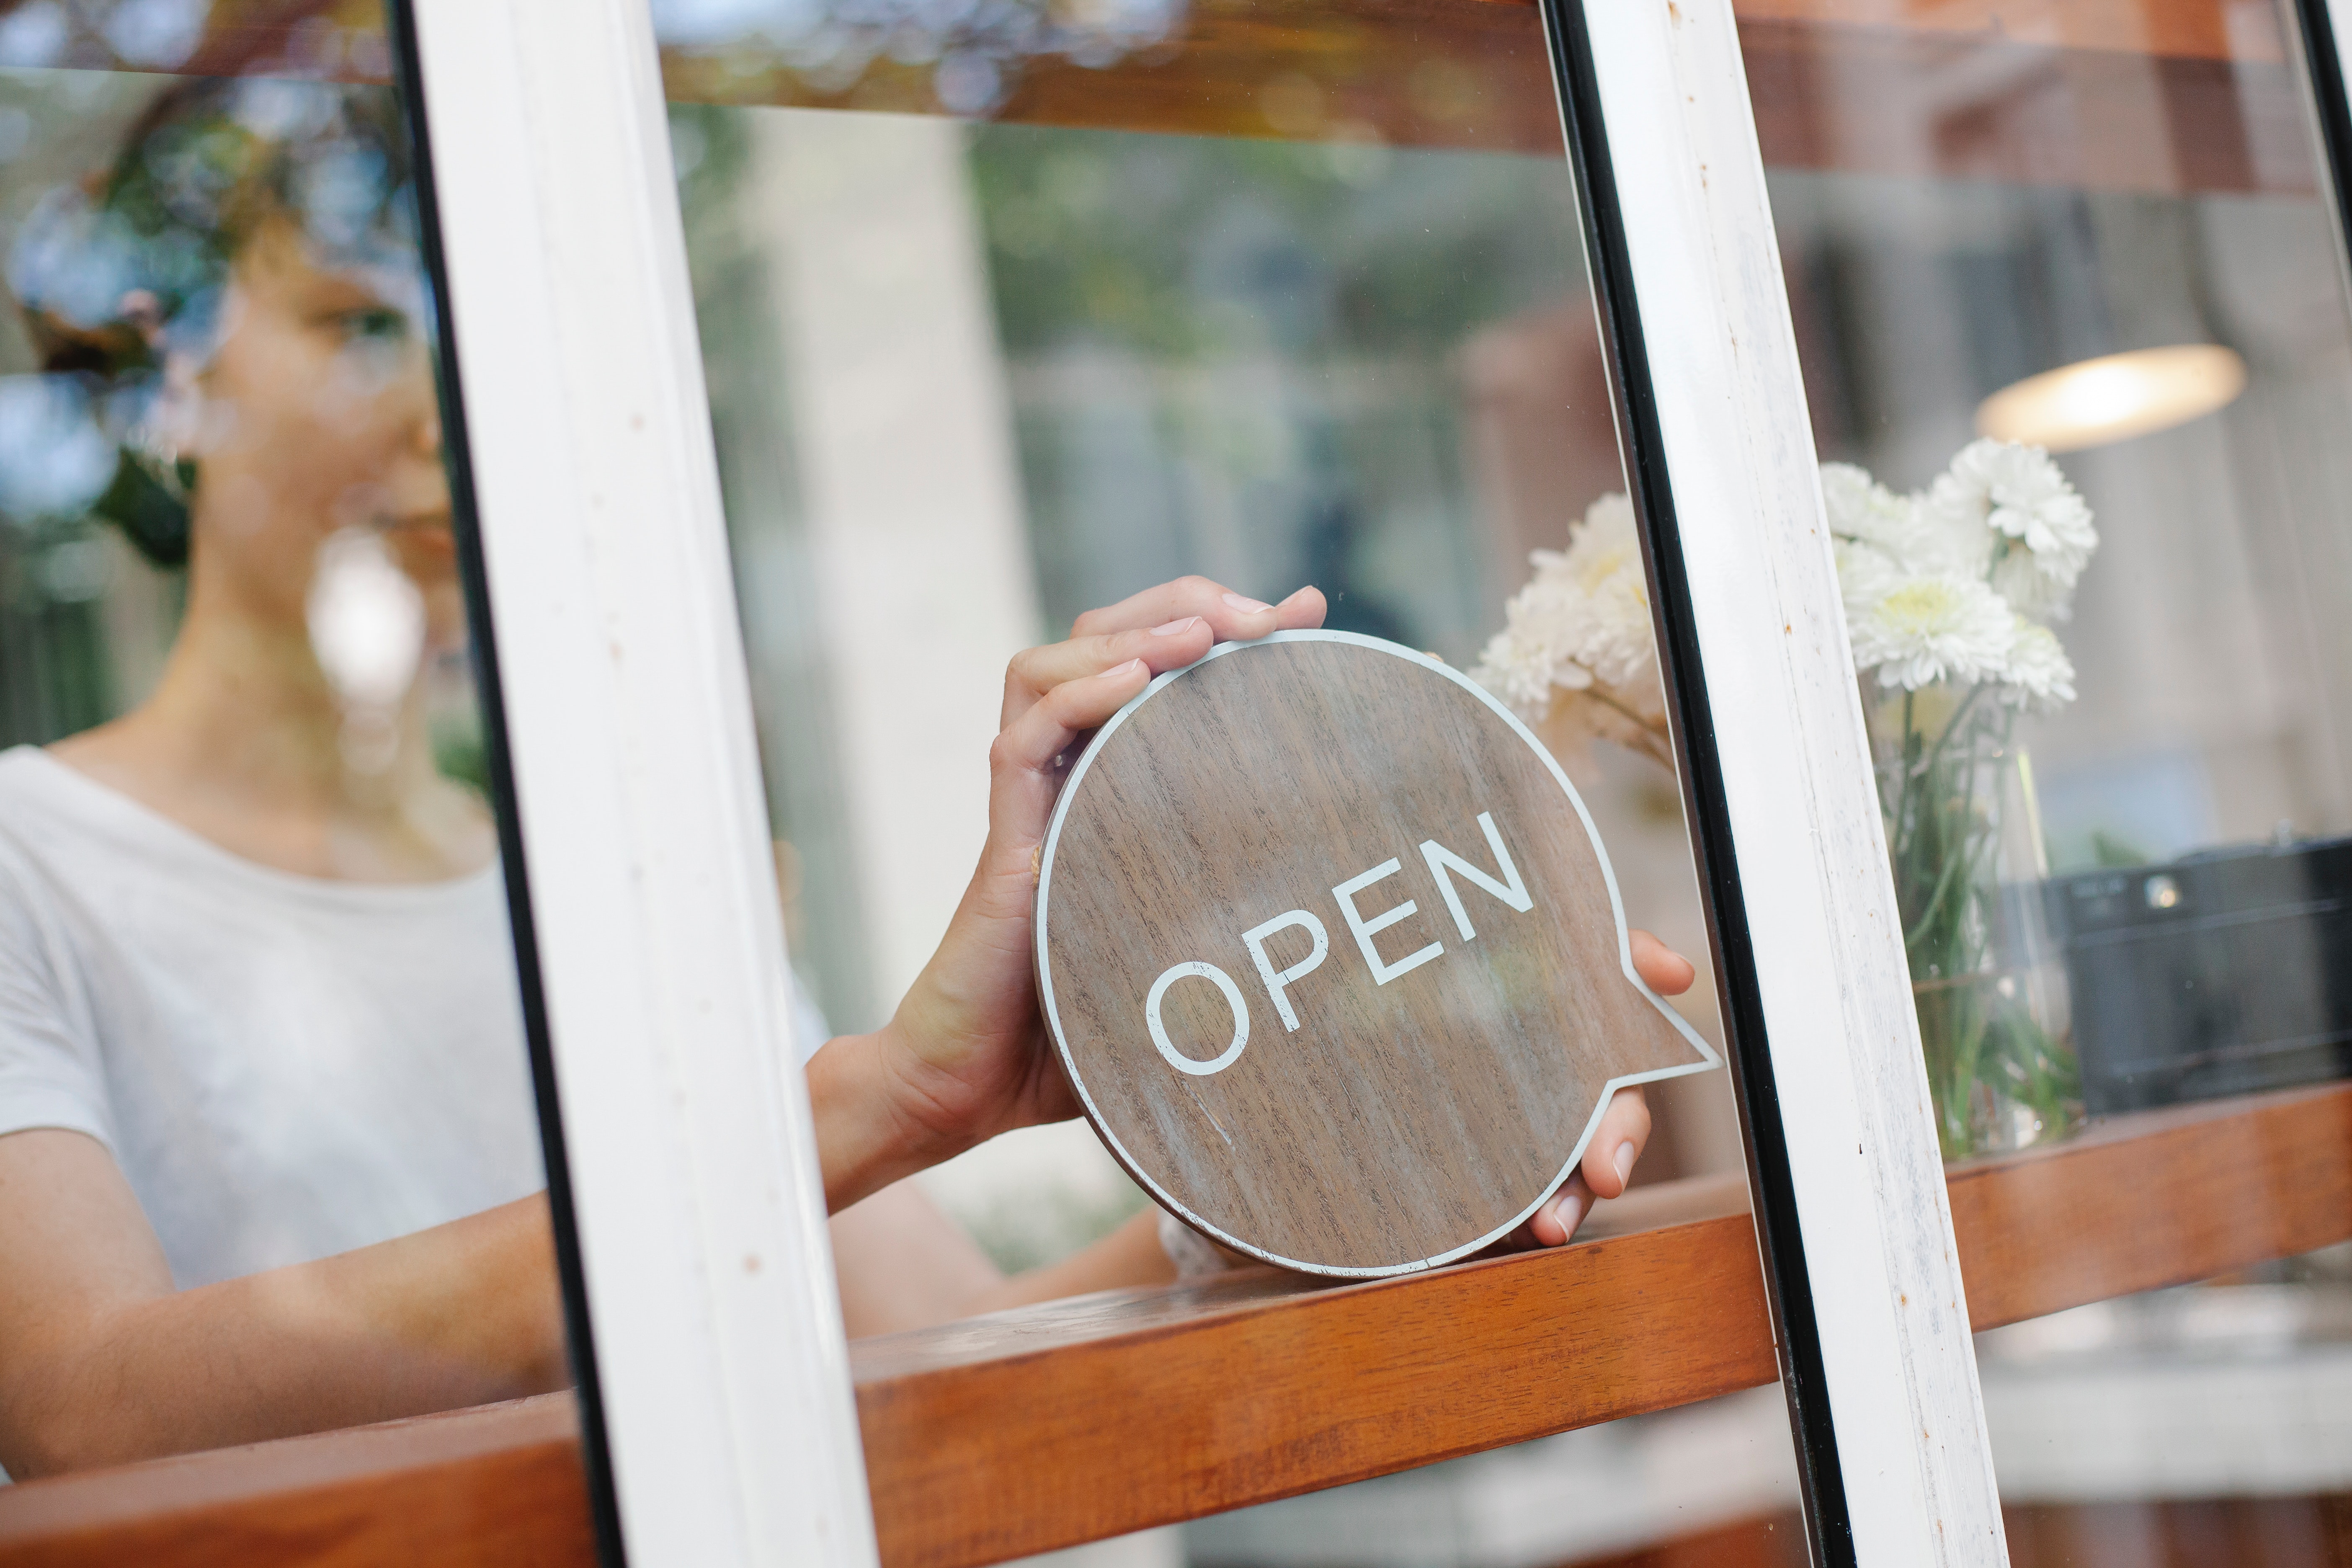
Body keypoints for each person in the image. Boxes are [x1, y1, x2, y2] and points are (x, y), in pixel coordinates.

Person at [0, 79, 1691, 1480]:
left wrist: (1335, 1191)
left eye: (480, 337)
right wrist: (875, 1100)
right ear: (167, 385)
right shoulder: (30, 860)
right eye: (359, 319)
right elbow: (84, 1419)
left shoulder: (626, 894)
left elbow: (935, 1348)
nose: (445, 399)